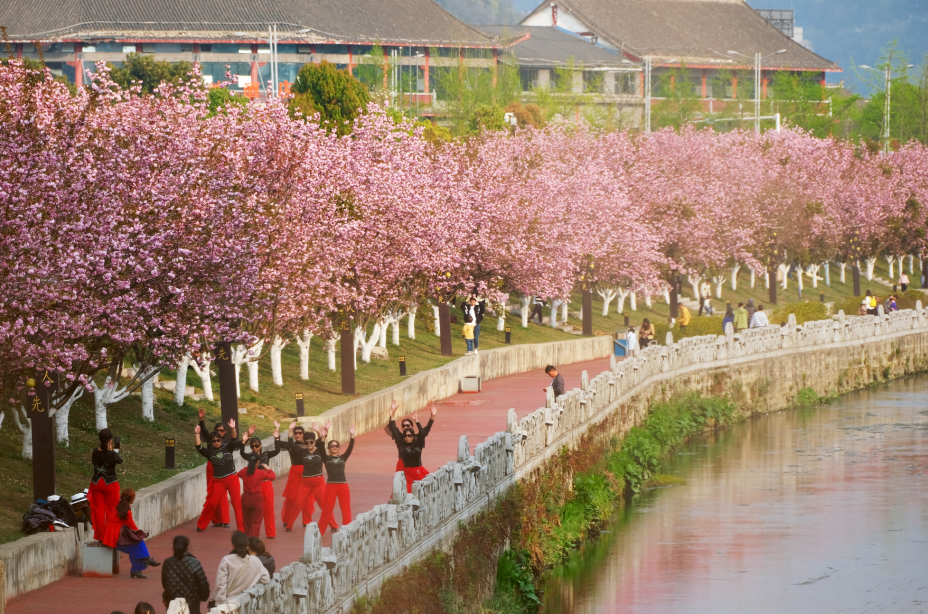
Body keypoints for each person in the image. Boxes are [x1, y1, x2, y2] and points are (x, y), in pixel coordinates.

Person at [194, 420, 244, 533]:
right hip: (219, 482)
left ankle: (241, 528)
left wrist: (233, 428)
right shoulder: (210, 453)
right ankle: (201, 525)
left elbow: (234, 439)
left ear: (221, 440)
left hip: (232, 479)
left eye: (218, 440)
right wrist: (197, 434)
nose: (216, 442)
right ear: (211, 442)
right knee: (212, 503)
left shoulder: (228, 447)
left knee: (236, 504)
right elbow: (198, 446)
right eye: (214, 441)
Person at [281, 424, 331, 531]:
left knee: (308, 499)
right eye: (296, 433)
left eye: (300, 433)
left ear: (303, 435)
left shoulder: (310, 444)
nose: (298, 434)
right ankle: (287, 520)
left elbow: (321, 442)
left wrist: (321, 431)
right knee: (292, 497)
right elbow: (282, 444)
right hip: (295, 472)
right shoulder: (294, 446)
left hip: (307, 472)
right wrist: (288, 431)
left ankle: (306, 520)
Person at [102, 489, 159, 579]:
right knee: (137, 545)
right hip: (115, 540)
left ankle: (142, 564)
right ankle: (141, 564)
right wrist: (142, 534)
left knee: (137, 545)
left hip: (111, 538)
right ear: (132, 499)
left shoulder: (118, 507)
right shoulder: (126, 512)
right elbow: (133, 527)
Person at [239, 422, 282, 538]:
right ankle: (250, 534)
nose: (254, 448)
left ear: (260, 445)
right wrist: (245, 440)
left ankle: (270, 532)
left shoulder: (266, 454)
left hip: (266, 484)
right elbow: (242, 453)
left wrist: (277, 438)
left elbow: (277, 450)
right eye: (252, 446)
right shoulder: (250, 456)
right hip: (254, 486)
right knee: (253, 512)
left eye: (256, 446)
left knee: (269, 509)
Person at [389, 403, 437, 493]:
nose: (407, 436)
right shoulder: (401, 441)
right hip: (404, 466)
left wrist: (428, 418)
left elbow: (424, 432)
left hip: (417, 470)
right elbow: (394, 429)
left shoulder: (418, 441)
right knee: (401, 489)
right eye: (403, 426)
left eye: (407, 426)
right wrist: (392, 416)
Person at [213, 531, 269, 606]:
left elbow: (220, 584)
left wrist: (220, 603)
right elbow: (266, 579)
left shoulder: (226, 560)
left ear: (233, 545)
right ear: (247, 545)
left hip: (230, 604)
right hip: (247, 603)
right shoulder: (255, 560)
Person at [318, 426, 356, 535]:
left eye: (336, 445)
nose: (334, 447)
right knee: (327, 509)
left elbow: (350, 448)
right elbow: (321, 448)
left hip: (343, 486)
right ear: (329, 448)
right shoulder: (326, 458)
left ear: (338, 447)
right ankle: (320, 532)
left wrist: (352, 436)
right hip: (330, 486)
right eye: (332, 445)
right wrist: (323, 437)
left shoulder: (343, 457)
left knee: (346, 509)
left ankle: (347, 531)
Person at [197, 409, 230, 528]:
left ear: (225, 432)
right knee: (211, 493)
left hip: (222, 468)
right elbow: (204, 431)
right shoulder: (211, 438)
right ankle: (217, 520)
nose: (219, 432)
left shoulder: (227, 442)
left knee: (222, 494)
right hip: (211, 467)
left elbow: (237, 442)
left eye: (222, 430)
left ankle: (225, 520)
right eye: (217, 430)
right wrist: (201, 420)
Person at [89, 428, 123, 541]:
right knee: (111, 509)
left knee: (98, 510)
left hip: (96, 483)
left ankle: (100, 536)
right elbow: (120, 460)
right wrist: (115, 451)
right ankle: (110, 535)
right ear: (110, 440)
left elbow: (94, 461)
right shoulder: (112, 454)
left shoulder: (95, 451)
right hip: (110, 483)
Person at [162, 535, 210, 614]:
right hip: (192, 605)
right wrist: (203, 598)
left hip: (173, 604)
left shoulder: (167, 562)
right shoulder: (195, 563)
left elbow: (165, 584)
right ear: (188, 547)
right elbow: (203, 585)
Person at [237, 453, 276, 539]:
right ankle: (253, 541)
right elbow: (273, 476)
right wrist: (268, 469)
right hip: (257, 499)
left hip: (246, 498)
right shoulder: (261, 472)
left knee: (246, 522)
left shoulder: (244, 471)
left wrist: (246, 468)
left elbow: (237, 474)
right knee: (256, 523)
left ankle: (247, 540)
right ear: (258, 461)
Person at [384, 405, 421, 474]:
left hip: (415, 464)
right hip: (402, 464)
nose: (405, 427)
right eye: (403, 426)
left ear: (412, 427)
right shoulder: (399, 437)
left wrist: (417, 421)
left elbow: (423, 433)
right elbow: (393, 427)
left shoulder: (416, 438)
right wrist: (392, 416)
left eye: (408, 425)